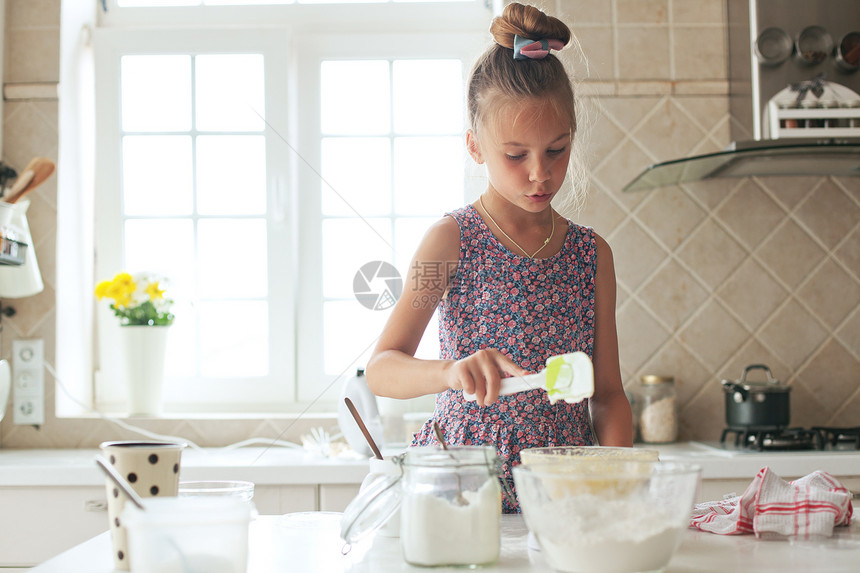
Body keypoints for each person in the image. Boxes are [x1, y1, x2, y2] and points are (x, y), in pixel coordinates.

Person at [365, 2, 632, 512]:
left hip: (562, 499)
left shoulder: (592, 254)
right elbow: (382, 368)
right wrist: (449, 371)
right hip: (463, 495)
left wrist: (615, 487)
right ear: (475, 146)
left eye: (556, 150)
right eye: (516, 155)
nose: (540, 174)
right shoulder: (449, 240)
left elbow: (609, 394)